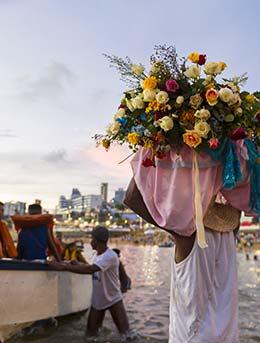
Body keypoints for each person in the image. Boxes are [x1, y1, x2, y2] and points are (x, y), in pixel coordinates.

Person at [49, 226, 130, 338]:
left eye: (92, 238)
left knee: (127, 335)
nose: (90, 241)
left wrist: (64, 267)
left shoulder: (110, 256)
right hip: (98, 300)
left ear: (96, 241)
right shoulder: (96, 255)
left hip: (113, 299)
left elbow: (91, 270)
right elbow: (92, 267)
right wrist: (78, 265)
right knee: (90, 336)